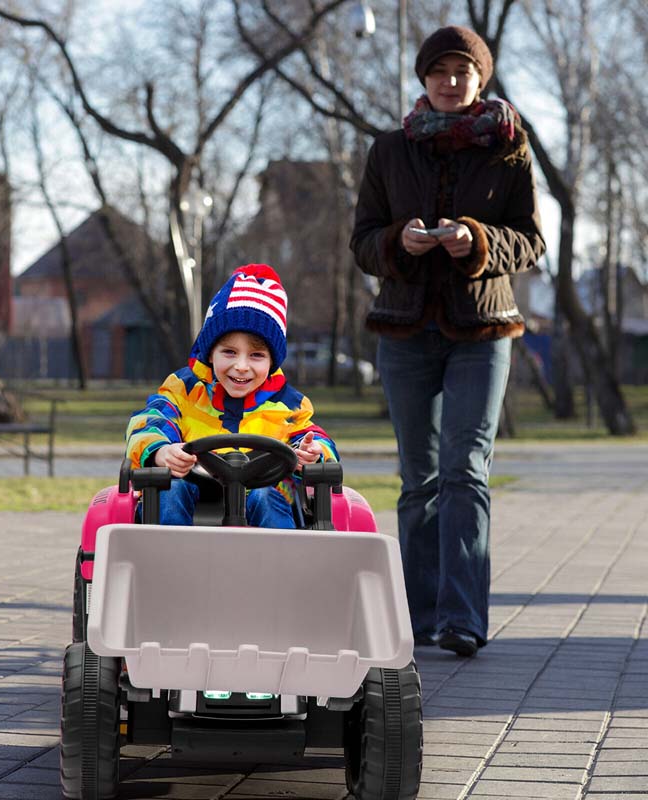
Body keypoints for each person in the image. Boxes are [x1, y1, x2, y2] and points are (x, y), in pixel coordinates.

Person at [350, 26, 545, 657]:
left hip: (482, 331)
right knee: (418, 480)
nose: (450, 80)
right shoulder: (389, 151)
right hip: (405, 332)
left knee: (467, 471)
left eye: (463, 70)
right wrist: (395, 244)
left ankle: (463, 619)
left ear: (480, 78)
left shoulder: (510, 149)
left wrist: (478, 240)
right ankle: (419, 617)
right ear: (423, 78)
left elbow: (532, 240)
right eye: (439, 70)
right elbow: (362, 242)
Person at [126, 263, 339, 528]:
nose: (241, 366)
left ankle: (282, 566)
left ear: (272, 361)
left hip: (262, 496)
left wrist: (313, 451)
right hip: (192, 495)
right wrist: (160, 450)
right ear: (210, 352)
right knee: (170, 491)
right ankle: (170, 563)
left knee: (266, 498)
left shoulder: (288, 406)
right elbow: (149, 421)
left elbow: (315, 437)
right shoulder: (184, 390)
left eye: (256, 355)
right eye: (229, 352)